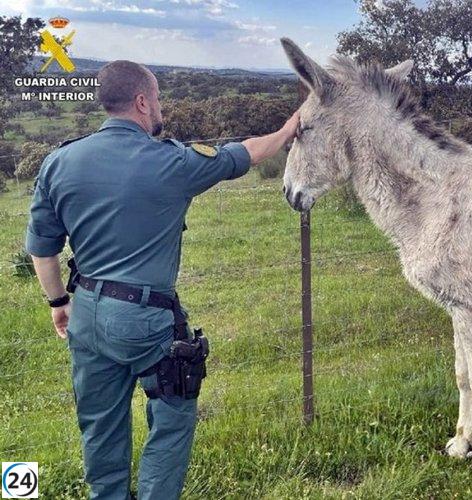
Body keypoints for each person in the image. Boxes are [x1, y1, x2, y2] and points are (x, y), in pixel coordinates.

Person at [25, 60, 299, 500]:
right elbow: (246, 153)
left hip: (87, 313)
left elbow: (42, 249)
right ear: (141, 102)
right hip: (145, 319)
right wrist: (289, 129)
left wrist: (59, 303)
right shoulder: (172, 161)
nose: (160, 107)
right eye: (157, 99)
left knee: (99, 426)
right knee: (172, 418)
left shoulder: (58, 161)